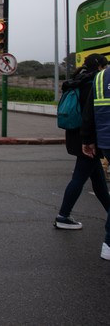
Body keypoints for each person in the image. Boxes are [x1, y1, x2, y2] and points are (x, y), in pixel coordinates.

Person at [54, 53, 110, 229]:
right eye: (105, 66)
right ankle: (63, 216)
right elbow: (91, 115)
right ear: (100, 67)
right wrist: (90, 140)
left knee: (99, 180)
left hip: (74, 134)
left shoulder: (76, 79)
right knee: (79, 178)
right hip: (88, 139)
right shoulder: (94, 83)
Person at [80, 59, 110, 260]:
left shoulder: (101, 78)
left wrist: (88, 140)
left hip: (106, 142)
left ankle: (109, 243)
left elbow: (90, 112)